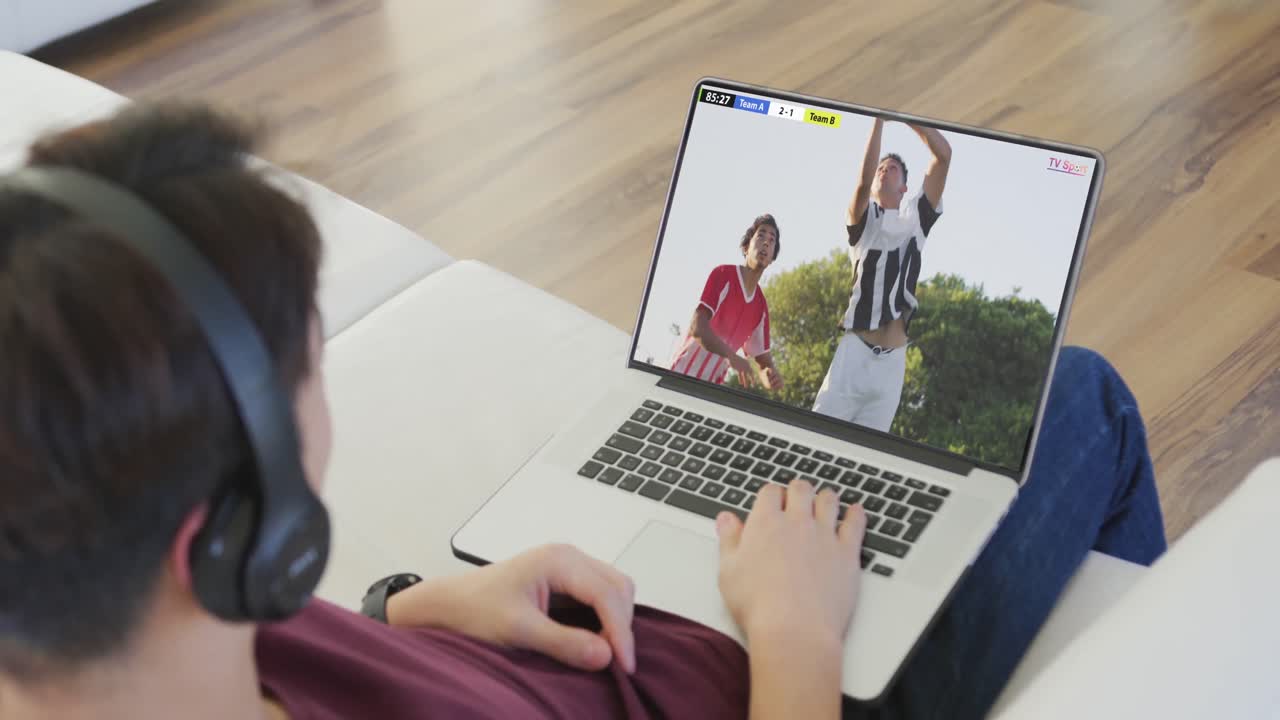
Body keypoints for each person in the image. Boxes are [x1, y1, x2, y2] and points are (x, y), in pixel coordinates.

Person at [0, 104, 1166, 720]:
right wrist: (798, 637)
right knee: (1087, 400)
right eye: (306, 370)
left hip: (626, 622)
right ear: (234, 538)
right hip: (788, 672)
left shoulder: (131, 621)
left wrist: (412, 611)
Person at [813, 118, 951, 433]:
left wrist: (907, 117)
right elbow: (862, 183)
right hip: (853, 358)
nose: (882, 171)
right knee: (816, 444)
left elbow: (943, 156)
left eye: (891, 168)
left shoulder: (916, 218)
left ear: (905, 186)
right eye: (880, 168)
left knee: (867, 462)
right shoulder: (865, 222)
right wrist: (878, 119)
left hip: (892, 366)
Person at [669, 214, 784, 391]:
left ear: (772, 258)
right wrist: (732, 356)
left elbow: (763, 362)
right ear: (746, 247)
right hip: (678, 377)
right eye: (761, 235)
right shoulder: (723, 275)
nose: (766, 243)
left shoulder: (760, 307)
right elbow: (697, 328)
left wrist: (770, 377)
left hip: (710, 393)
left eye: (772, 239)